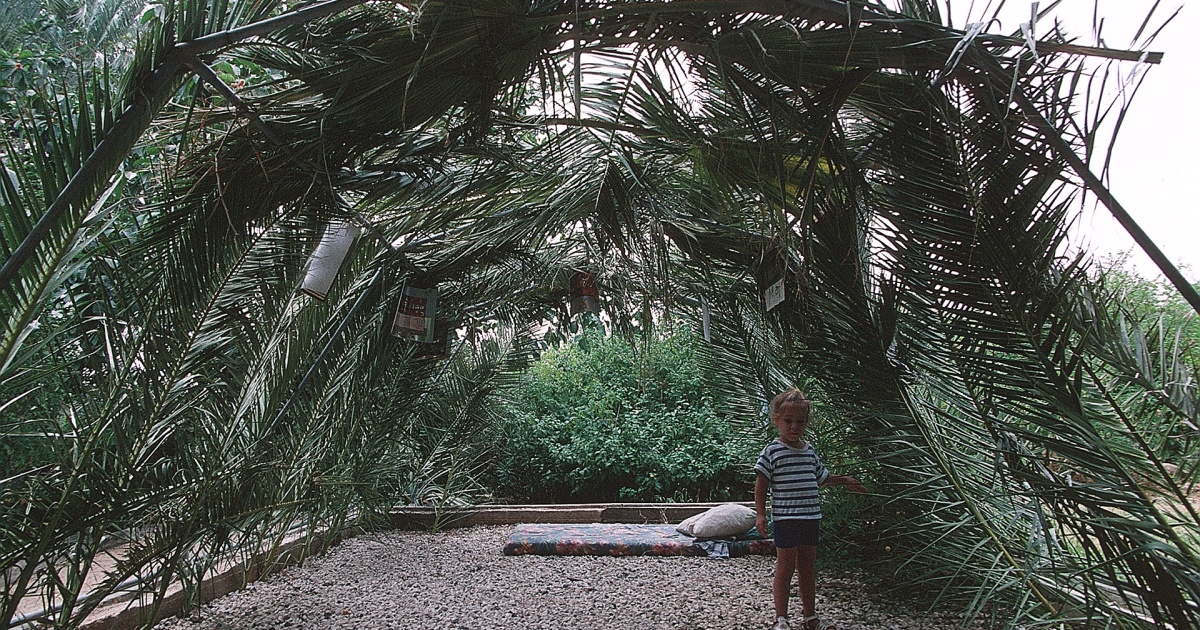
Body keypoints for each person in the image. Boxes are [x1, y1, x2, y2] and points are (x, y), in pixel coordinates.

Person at [755, 389, 867, 630]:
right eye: (788, 421)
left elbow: (822, 478)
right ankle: (781, 618)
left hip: (810, 518)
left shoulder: (809, 451)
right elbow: (761, 483)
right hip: (786, 519)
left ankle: (810, 617)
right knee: (785, 568)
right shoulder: (772, 452)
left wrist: (847, 480)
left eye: (800, 422)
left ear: (806, 422)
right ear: (776, 420)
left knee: (807, 568)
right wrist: (761, 514)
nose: (794, 427)